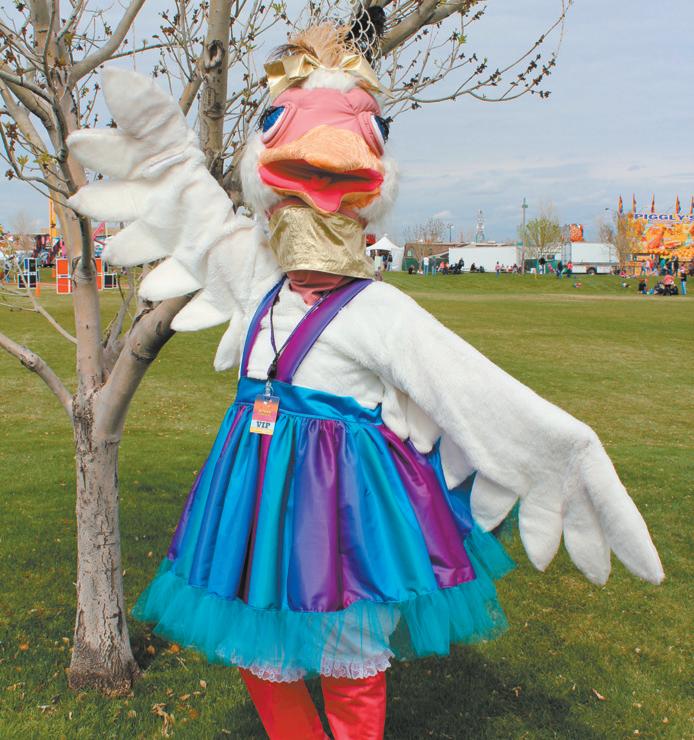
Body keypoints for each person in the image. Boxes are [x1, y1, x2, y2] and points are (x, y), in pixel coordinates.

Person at [68, 33, 664, 740]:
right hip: (255, 497)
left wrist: (566, 447)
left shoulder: (380, 310)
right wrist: (168, 152)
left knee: (349, 659)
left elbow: (467, 387)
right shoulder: (253, 277)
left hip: (344, 510)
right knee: (259, 652)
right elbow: (188, 196)